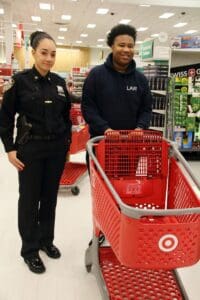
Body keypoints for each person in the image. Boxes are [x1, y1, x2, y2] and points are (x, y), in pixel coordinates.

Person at [0, 31, 72, 274]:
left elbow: (66, 119)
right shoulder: (19, 82)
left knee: (49, 199)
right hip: (30, 149)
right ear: (33, 52)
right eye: (44, 53)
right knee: (30, 200)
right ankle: (29, 249)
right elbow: (5, 118)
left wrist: (67, 147)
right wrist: (10, 149)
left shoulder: (60, 84)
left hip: (55, 150)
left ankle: (46, 240)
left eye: (53, 54)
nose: (49, 58)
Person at [81, 23, 153, 156]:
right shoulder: (96, 75)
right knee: (100, 178)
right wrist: (106, 129)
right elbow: (88, 108)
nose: (126, 50)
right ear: (112, 46)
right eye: (121, 45)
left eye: (130, 46)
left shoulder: (141, 79)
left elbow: (146, 109)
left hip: (131, 149)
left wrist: (140, 127)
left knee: (129, 178)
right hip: (101, 144)